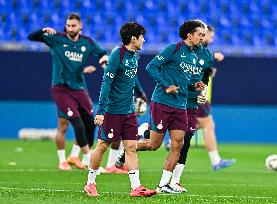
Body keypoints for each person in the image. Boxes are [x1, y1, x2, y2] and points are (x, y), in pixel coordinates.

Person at [116, 20, 206, 194]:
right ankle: (126, 150)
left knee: (178, 144)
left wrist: (195, 87)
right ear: (189, 35)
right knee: (153, 144)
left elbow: (184, 82)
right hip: (162, 103)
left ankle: (164, 184)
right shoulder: (173, 49)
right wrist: (166, 85)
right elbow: (151, 67)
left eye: (203, 35)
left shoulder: (194, 57)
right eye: (199, 35)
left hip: (180, 105)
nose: (202, 38)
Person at [27, 13, 108, 171]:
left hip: (79, 88)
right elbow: (31, 37)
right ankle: (78, 159)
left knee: (90, 123)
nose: (70, 28)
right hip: (61, 88)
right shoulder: (56, 38)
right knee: (69, 124)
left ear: (80, 27)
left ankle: (75, 156)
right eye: (68, 25)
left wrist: (104, 60)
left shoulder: (87, 42)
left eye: (73, 25)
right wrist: (43, 30)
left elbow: (102, 52)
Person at [84, 22, 156, 197]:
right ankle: (90, 183)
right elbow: (106, 83)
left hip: (128, 111)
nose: (144, 40)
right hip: (112, 111)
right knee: (102, 146)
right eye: (141, 37)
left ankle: (136, 187)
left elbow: (131, 79)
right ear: (133, 38)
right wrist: (101, 111)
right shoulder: (117, 55)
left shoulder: (134, 56)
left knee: (131, 147)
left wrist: (140, 93)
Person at [169, 24, 236, 192]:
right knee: (208, 125)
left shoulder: (203, 55)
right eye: (207, 36)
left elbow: (204, 69)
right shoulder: (196, 52)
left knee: (190, 127)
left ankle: (152, 136)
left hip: (201, 96)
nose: (209, 39)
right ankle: (215, 161)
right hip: (195, 96)